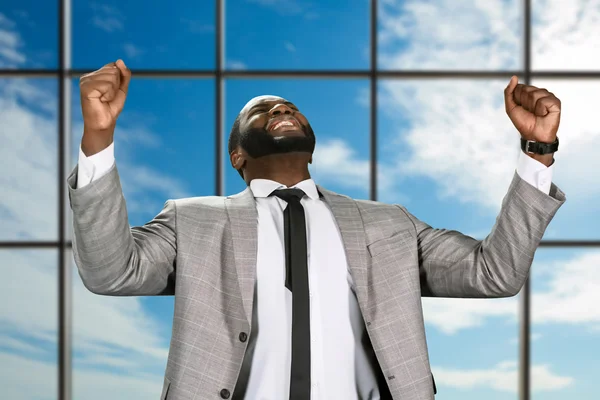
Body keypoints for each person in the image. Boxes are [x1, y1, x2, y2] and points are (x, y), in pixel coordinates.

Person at [68, 59, 566, 400]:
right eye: (261, 110)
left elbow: (494, 274)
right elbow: (112, 272)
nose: (282, 109)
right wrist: (98, 139)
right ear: (236, 155)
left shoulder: (389, 222)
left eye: (289, 106)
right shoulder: (191, 219)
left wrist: (537, 153)